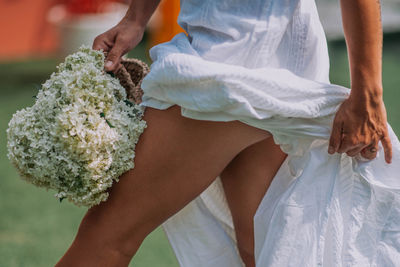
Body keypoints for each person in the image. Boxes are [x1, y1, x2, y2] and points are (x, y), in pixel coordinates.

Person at [56, 0, 400, 266]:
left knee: (106, 238)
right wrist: (135, 19)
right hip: (277, 57)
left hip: (225, 65)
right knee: (258, 249)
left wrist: (368, 93)